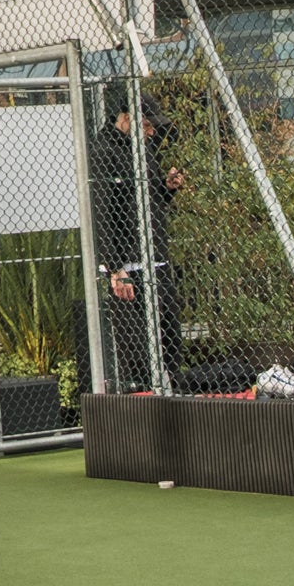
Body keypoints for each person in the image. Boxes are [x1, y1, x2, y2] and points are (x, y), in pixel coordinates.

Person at [86, 88, 186, 390]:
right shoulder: (104, 151)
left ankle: (173, 389)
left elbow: (149, 202)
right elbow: (102, 212)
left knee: (170, 333)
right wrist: (116, 268)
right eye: (147, 124)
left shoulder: (143, 150)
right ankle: (147, 396)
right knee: (139, 347)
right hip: (128, 264)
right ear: (127, 117)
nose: (152, 131)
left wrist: (166, 188)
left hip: (155, 257)